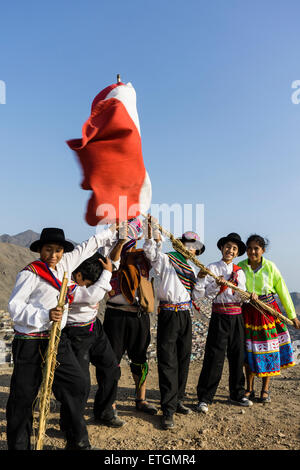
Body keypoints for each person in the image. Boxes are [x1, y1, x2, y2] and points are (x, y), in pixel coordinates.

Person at [6, 225, 116, 450]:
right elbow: (14, 307)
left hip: (57, 340)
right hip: (30, 341)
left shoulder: (65, 266)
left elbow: (88, 246)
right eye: (48, 249)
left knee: (78, 383)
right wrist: (44, 314)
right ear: (40, 250)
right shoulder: (30, 273)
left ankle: (77, 440)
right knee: (24, 398)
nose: (53, 255)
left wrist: (112, 231)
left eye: (58, 250)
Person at [143, 217, 205, 430]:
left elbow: (197, 295)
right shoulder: (167, 259)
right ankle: (167, 409)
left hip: (185, 315)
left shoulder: (193, 269)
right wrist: (152, 233)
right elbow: (151, 253)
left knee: (183, 358)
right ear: (180, 244)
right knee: (168, 361)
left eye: (195, 247)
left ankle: (177, 400)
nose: (191, 250)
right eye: (188, 244)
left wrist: (203, 279)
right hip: (169, 314)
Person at [60, 252, 124, 434]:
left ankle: (104, 411)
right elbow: (91, 296)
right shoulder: (67, 282)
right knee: (79, 383)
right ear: (78, 275)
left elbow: (114, 258)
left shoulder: (91, 274)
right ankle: (70, 425)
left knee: (111, 368)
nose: (89, 286)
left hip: (94, 328)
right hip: (75, 334)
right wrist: (107, 274)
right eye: (87, 283)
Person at [103, 218, 158, 422]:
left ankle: (141, 399)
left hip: (138, 314)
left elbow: (155, 256)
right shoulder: (109, 252)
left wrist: (151, 235)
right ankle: (111, 403)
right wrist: (119, 241)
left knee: (140, 358)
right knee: (112, 360)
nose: (129, 236)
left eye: (132, 232)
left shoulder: (143, 256)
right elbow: (113, 261)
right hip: (115, 315)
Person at [194, 233, 253, 414]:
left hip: (236, 317)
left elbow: (242, 297)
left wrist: (249, 296)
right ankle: (205, 397)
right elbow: (204, 295)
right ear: (222, 248)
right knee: (214, 356)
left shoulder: (240, 272)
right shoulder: (212, 268)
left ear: (237, 253)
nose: (230, 250)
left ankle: (237, 393)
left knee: (237, 355)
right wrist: (219, 286)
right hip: (219, 315)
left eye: (234, 249)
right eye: (228, 246)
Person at [238, 234, 300, 403]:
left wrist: (292, 315)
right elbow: (235, 288)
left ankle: (265, 389)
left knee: (269, 350)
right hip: (248, 312)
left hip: (268, 312)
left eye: (256, 248)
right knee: (249, 350)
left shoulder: (271, 267)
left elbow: (283, 290)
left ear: (263, 250)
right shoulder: (240, 267)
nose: (252, 251)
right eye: (249, 248)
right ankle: (249, 388)